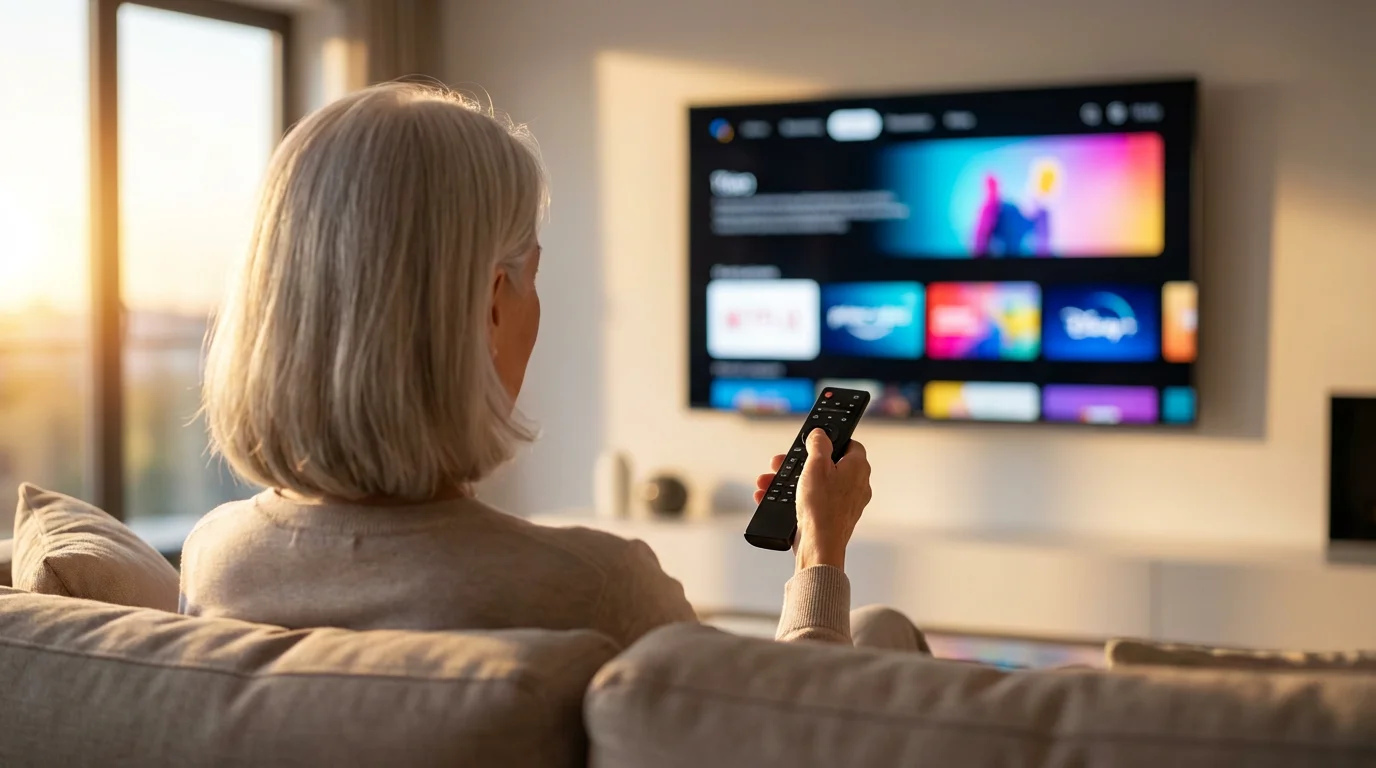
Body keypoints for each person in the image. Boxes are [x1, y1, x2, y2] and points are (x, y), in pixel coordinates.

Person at [181, 82, 925, 652]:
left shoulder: (217, 558)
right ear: (495, 303)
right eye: (534, 276)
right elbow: (789, 741)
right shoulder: (595, 591)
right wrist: (821, 548)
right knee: (885, 632)